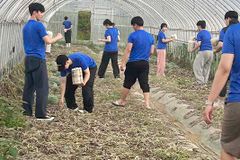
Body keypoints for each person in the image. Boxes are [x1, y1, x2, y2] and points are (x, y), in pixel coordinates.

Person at [203, 11, 240, 160]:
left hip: (238, 99)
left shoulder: (233, 31)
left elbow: (225, 68)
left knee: (229, 148)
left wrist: (209, 102)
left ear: (228, 19)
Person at [22, 3, 63, 121]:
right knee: (42, 87)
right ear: (35, 12)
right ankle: (40, 114)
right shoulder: (38, 25)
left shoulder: (26, 27)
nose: (42, 15)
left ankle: (26, 111)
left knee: (29, 86)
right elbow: (48, 41)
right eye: (41, 12)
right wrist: (58, 37)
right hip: (38, 59)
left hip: (28, 58)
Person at [112, 16, 154, 109]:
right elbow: (151, 51)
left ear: (135, 25)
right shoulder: (150, 36)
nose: (133, 27)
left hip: (133, 63)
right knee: (144, 83)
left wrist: (123, 63)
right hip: (144, 63)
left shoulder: (133, 35)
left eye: (133, 25)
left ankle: (122, 101)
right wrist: (145, 57)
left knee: (128, 82)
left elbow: (128, 50)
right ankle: (147, 104)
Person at [214, 11, 239, 107]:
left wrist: (215, 51)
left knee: (223, 79)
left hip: (230, 59)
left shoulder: (225, 30)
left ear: (228, 19)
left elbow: (220, 45)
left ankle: (220, 101)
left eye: (225, 20)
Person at [190, 20, 213, 85]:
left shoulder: (200, 33)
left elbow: (198, 44)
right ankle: (205, 82)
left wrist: (192, 50)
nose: (197, 28)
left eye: (197, 27)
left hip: (203, 51)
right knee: (206, 67)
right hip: (210, 52)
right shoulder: (208, 33)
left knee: (196, 66)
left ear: (199, 26)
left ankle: (200, 82)